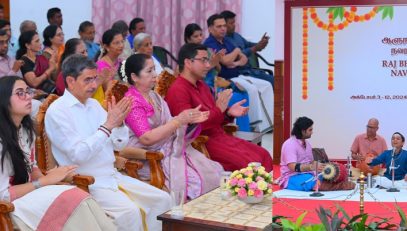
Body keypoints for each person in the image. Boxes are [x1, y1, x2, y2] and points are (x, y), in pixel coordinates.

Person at [45, 54, 170, 231]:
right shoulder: (58, 112)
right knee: (130, 213)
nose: (94, 85)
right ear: (70, 81)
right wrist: (108, 126)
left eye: (95, 79)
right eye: (87, 80)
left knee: (163, 199)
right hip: (86, 181)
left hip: (112, 176)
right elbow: (78, 155)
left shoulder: (94, 106)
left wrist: (118, 126)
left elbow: (118, 145)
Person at [0, 76, 115, 230]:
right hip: (9, 208)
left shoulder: (25, 130)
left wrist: (49, 179)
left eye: (28, 91)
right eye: (20, 93)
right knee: (72, 199)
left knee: (81, 198)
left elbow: (31, 167)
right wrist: (44, 182)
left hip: (27, 196)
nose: (28, 97)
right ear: (3, 99)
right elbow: (3, 196)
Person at [121, 53, 223, 199]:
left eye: (154, 69)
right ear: (135, 77)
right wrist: (178, 121)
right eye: (149, 71)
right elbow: (146, 138)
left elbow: (170, 123)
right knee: (195, 182)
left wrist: (189, 119)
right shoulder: (133, 102)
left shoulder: (153, 96)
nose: (155, 74)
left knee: (214, 171)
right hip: (149, 157)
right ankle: (188, 219)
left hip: (167, 149)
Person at [165, 43, 273, 172]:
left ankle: (265, 192)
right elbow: (189, 128)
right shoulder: (178, 90)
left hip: (219, 136)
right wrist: (219, 109)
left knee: (263, 154)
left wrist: (228, 114)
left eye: (208, 60)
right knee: (247, 165)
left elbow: (215, 116)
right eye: (203, 60)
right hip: (201, 143)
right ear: (188, 62)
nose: (208, 65)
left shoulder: (201, 85)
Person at [203, 14, 274, 132]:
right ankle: (254, 125)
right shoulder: (209, 43)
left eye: (224, 26)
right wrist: (235, 53)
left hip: (238, 73)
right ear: (210, 29)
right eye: (219, 26)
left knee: (266, 85)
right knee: (251, 89)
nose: (223, 28)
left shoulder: (226, 40)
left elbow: (243, 58)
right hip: (225, 78)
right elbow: (225, 61)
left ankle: (268, 125)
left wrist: (235, 63)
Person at [184, 23, 250, 131]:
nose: (200, 38)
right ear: (188, 38)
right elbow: (191, 74)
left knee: (243, 93)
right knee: (235, 97)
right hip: (204, 87)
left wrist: (217, 60)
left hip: (214, 83)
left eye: (201, 35)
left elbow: (218, 70)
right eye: (196, 36)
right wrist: (212, 63)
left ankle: (245, 130)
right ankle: (237, 130)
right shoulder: (187, 53)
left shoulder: (206, 50)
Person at [278, 117, 355, 191]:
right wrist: (311, 167)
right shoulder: (289, 144)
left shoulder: (307, 144)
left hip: (309, 174)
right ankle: (340, 186)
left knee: (332, 175)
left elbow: (311, 162)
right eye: (310, 130)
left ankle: (328, 184)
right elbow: (292, 167)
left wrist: (324, 166)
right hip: (292, 177)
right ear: (302, 131)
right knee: (312, 182)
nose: (312, 132)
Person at [93, 29, 124, 105]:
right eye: (116, 43)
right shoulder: (100, 66)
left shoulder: (121, 62)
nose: (121, 45)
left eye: (122, 41)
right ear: (106, 47)